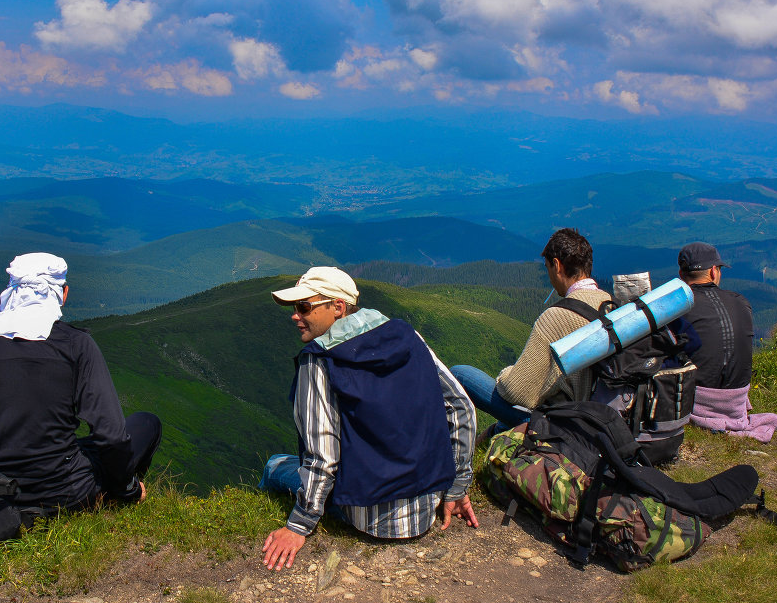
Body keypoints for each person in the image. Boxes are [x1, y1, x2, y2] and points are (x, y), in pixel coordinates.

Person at [259, 266, 479, 572]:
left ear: (337, 307)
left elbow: (322, 456)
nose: (294, 316)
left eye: (303, 307)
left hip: (368, 517)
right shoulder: (408, 336)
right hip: (427, 507)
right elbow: (462, 408)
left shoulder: (318, 360)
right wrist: (456, 487)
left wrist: (298, 526)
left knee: (275, 466)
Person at [0, 253, 162, 513]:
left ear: (10, 292)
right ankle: (119, 498)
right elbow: (111, 437)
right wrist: (126, 487)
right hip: (66, 493)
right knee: (147, 424)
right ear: (62, 294)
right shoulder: (76, 345)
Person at [451, 228, 612, 428]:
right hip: (602, 419)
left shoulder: (557, 316)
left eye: (547, 268)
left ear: (557, 265)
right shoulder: (611, 304)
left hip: (566, 423)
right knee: (500, 425)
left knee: (459, 374)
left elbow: (516, 391)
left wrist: (505, 374)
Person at [678, 242, 777, 442]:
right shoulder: (741, 301)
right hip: (736, 400)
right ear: (713, 272)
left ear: (681, 275)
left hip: (697, 399)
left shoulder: (679, 308)